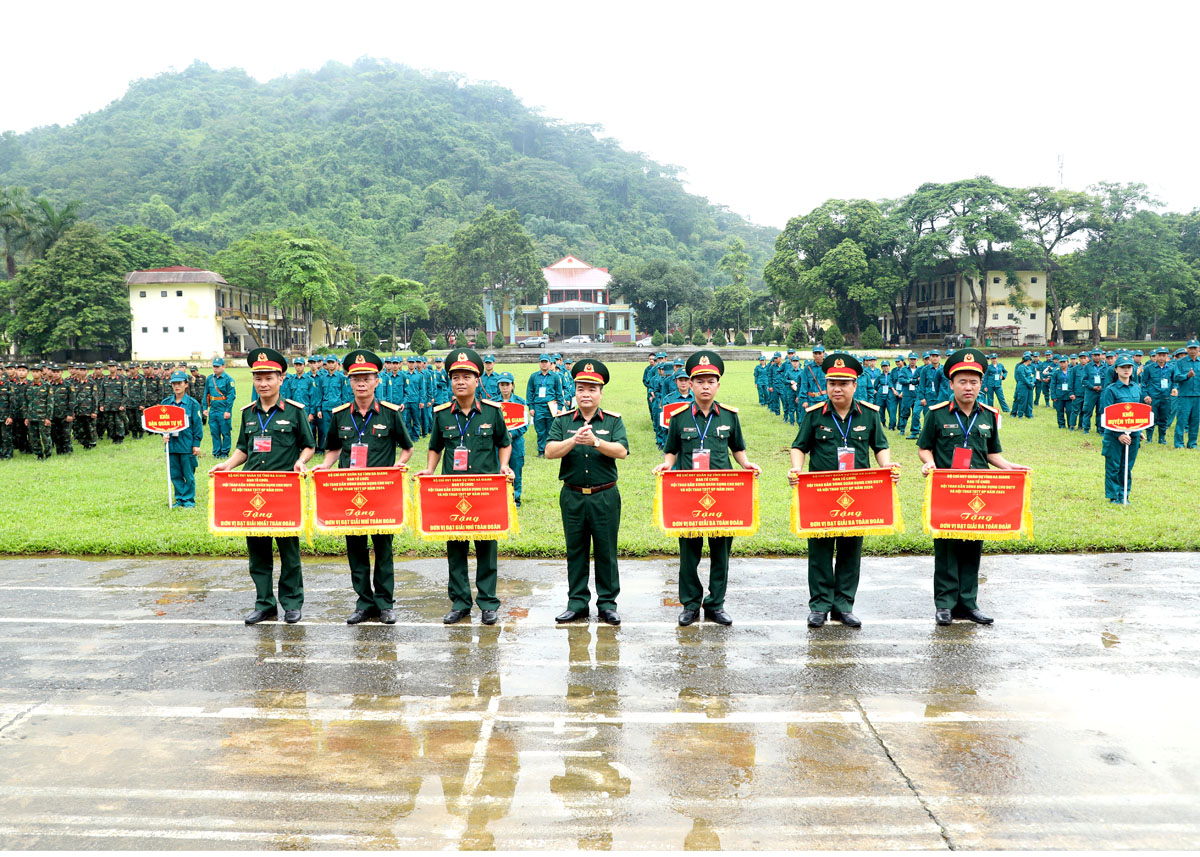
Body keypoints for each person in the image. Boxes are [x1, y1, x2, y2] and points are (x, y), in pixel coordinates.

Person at [918, 348, 1028, 626]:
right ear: (951, 384)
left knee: (972, 548)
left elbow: (992, 454)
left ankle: (968, 603)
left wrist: (1011, 467)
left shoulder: (989, 415)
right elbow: (924, 448)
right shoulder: (937, 414)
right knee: (946, 548)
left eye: (974, 382)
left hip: (978, 491)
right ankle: (944, 604)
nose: (968, 387)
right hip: (947, 491)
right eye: (962, 382)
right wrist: (929, 464)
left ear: (982, 384)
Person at [790, 353, 899, 628]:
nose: (837, 388)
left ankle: (843, 605)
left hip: (858, 494)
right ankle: (819, 606)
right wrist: (796, 469)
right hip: (821, 494)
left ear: (854, 385)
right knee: (820, 551)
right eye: (832, 383)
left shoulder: (870, 415)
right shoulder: (815, 415)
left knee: (851, 550)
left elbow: (880, 447)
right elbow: (799, 446)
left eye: (843, 383)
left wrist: (887, 467)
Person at [655, 351, 761, 626]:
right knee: (689, 552)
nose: (705, 386)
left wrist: (746, 464)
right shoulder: (678, 418)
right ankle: (690, 604)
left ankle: (716, 604)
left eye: (710, 380)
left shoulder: (729, 416)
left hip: (722, 495)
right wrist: (666, 465)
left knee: (721, 552)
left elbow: (737, 449)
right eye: (699, 380)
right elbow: (671, 451)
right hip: (688, 494)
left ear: (718, 384)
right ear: (690, 384)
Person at [210, 348, 315, 625]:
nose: (263, 383)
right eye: (258, 378)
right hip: (253, 490)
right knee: (257, 551)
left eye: (269, 377)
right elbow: (243, 449)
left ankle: (292, 603)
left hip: (283, 491)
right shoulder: (248, 414)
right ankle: (264, 603)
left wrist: (301, 461)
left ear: (281, 379)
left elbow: (308, 445)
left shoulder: (294, 412)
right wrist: (228, 465)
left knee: (289, 550)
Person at [312, 350, 413, 624]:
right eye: (356, 378)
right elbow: (333, 448)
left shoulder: (390, 415)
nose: (361, 383)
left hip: (381, 493)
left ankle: (384, 603)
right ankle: (363, 602)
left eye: (366, 378)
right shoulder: (340, 416)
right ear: (349, 381)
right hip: (349, 493)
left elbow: (407, 448)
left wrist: (398, 466)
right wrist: (325, 465)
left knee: (383, 549)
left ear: (376, 381)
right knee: (355, 548)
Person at [416, 348, 514, 625]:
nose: (460, 381)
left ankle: (488, 603)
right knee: (456, 548)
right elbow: (435, 447)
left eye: (466, 376)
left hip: (484, 491)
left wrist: (504, 466)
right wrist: (430, 469)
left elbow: (504, 443)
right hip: (452, 489)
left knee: (486, 548)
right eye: (455, 377)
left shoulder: (492, 413)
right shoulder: (442, 415)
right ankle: (460, 602)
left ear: (477, 380)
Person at [545, 360, 629, 626]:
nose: (586, 394)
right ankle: (577, 603)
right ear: (575, 391)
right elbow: (549, 452)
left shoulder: (613, 421)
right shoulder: (562, 421)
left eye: (592, 389)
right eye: (581, 388)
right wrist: (574, 440)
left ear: (600, 392)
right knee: (576, 550)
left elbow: (622, 451)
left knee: (606, 550)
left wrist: (596, 441)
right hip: (572, 495)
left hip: (605, 495)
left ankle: (607, 604)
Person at [1100, 355, 1143, 504]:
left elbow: (1139, 412)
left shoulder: (1137, 388)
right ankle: (1114, 496)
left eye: (1129, 367)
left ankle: (1125, 494)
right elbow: (1105, 414)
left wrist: (1141, 429)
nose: (1126, 370)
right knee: (1114, 466)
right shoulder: (1110, 390)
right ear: (1116, 369)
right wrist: (1118, 434)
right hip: (1114, 434)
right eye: (1123, 367)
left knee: (1127, 466)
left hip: (1134, 434)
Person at [162, 369, 204, 508]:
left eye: (179, 383)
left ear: (186, 384)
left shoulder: (193, 404)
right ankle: (179, 499)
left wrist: (196, 444)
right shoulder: (166, 403)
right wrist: (163, 434)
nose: (176, 386)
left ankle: (188, 500)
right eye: (174, 383)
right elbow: (160, 423)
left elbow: (197, 426)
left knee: (189, 474)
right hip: (172, 444)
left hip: (187, 444)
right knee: (175, 474)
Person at [495, 372, 527, 507]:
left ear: (512, 385)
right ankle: (498, 497)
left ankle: (516, 497)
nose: (505, 388)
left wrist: (512, 434)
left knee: (516, 470)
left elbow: (524, 424)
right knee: (497, 470)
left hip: (516, 442)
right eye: (502, 385)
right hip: (498, 443)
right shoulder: (493, 403)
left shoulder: (520, 403)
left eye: (507, 384)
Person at [527, 354, 565, 457]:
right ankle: (541, 451)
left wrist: (560, 408)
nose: (544, 364)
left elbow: (559, 393)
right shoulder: (533, 377)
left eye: (546, 362)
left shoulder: (555, 377)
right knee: (540, 430)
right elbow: (530, 393)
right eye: (542, 362)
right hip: (538, 407)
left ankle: (550, 451)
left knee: (551, 429)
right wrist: (531, 407)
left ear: (550, 363)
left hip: (551, 406)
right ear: (539, 363)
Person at [1141, 347, 1176, 445]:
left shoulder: (1171, 368)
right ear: (1156, 356)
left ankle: (1162, 438)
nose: (1161, 358)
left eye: (1164, 355)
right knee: (1151, 418)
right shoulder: (1149, 368)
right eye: (1159, 355)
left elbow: (1174, 381)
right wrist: (1146, 395)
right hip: (1153, 397)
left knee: (1164, 418)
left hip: (1166, 397)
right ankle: (1149, 438)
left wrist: (1174, 388)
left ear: (1167, 357)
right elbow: (1143, 383)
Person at [204, 357, 236, 457]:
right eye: (214, 366)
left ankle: (224, 452)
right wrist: (205, 408)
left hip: (223, 409)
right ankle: (216, 452)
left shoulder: (228, 379)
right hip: (213, 409)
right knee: (214, 432)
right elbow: (206, 393)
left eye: (217, 366)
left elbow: (231, 396)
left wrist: (228, 410)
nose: (215, 368)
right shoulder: (210, 378)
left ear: (223, 366)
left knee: (225, 432)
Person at [1172, 339, 1200, 449]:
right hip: (1185, 395)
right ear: (1187, 349)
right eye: (1190, 348)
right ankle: (1179, 443)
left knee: (1195, 420)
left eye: (1195, 348)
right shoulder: (1180, 362)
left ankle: (1192, 443)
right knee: (1182, 420)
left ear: (1198, 349)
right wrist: (1187, 376)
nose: (1192, 351)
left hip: (1198, 395)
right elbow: (1176, 377)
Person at [1050, 355, 1074, 429]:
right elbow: (1052, 384)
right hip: (1059, 394)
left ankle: (1070, 424)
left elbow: (1074, 383)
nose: (1062, 364)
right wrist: (1053, 395)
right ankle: (1061, 425)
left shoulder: (1072, 371)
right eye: (1061, 362)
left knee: (1069, 410)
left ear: (1067, 362)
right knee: (1060, 410)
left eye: (1064, 362)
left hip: (1069, 394)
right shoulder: (1056, 372)